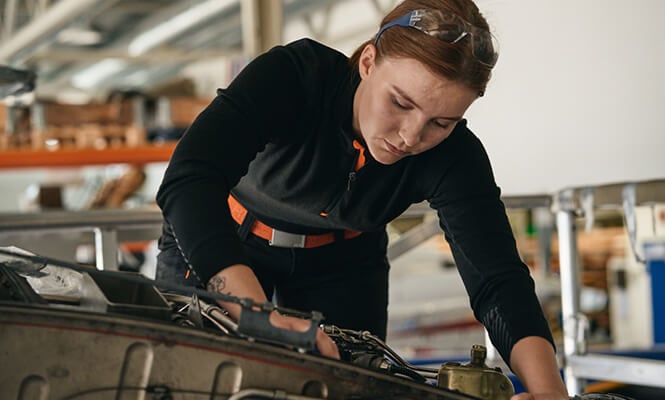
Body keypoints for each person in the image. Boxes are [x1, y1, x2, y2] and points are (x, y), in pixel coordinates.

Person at [155, 0, 568, 398]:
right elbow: (190, 179)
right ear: (368, 62)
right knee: (186, 380)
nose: (411, 136)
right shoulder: (295, 75)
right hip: (224, 237)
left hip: (343, 264)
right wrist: (255, 315)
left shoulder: (454, 155)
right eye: (400, 103)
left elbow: (497, 280)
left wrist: (549, 390)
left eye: (441, 123)